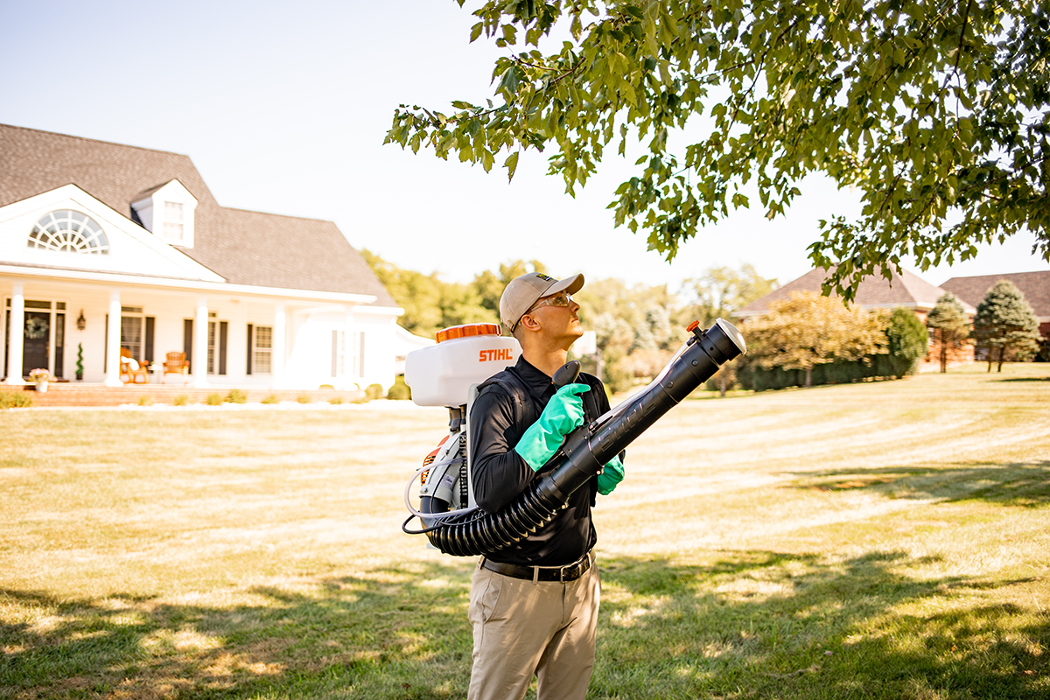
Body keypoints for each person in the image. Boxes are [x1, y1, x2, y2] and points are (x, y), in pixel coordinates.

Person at [466, 271, 625, 700]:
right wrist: (546, 431)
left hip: (580, 583)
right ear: (530, 322)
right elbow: (489, 489)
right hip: (516, 588)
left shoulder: (590, 388)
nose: (575, 305)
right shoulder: (497, 396)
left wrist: (608, 466)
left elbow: (603, 479)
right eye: (561, 300)